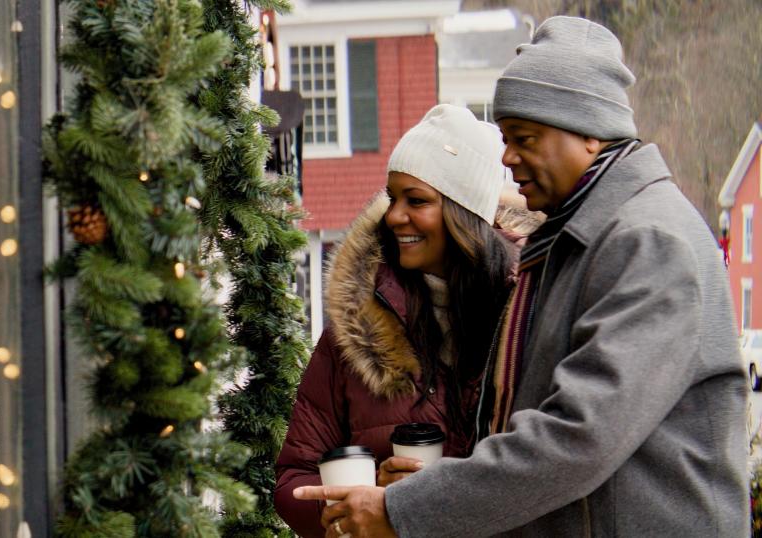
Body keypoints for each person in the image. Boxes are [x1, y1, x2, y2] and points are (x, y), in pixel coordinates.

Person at [294, 16, 748, 537]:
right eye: (507, 139)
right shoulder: (574, 241)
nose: (508, 159)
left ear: (591, 137)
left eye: (525, 139)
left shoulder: (647, 241)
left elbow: (577, 439)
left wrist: (404, 511)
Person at [273, 104, 539, 537]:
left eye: (416, 201)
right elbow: (294, 478)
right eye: (393, 197)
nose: (394, 215)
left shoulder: (529, 315)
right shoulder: (356, 328)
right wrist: (373, 502)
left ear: (464, 213)